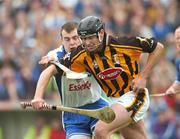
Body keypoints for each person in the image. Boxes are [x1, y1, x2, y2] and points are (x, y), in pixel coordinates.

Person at [50, 16, 164, 139]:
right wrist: (51, 63)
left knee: (100, 130)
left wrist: (143, 77)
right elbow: (55, 68)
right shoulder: (82, 53)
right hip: (114, 101)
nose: (87, 43)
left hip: (134, 96)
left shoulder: (123, 44)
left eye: (90, 38)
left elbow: (158, 47)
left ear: (101, 33)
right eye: (83, 39)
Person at [31, 21, 109, 139]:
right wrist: (38, 97)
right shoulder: (56, 55)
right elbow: (46, 73)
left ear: (81, 38)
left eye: (75, 38)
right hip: (73, 113)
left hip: (97, 106)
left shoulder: (92, 49)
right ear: (62, 40)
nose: (71, 43)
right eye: (67, 39)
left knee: (102, 133)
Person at [165, 26, 180, 95]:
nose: (179, 40)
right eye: (177, 38)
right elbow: (178, 80)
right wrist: (172, 89)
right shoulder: (178, 62)